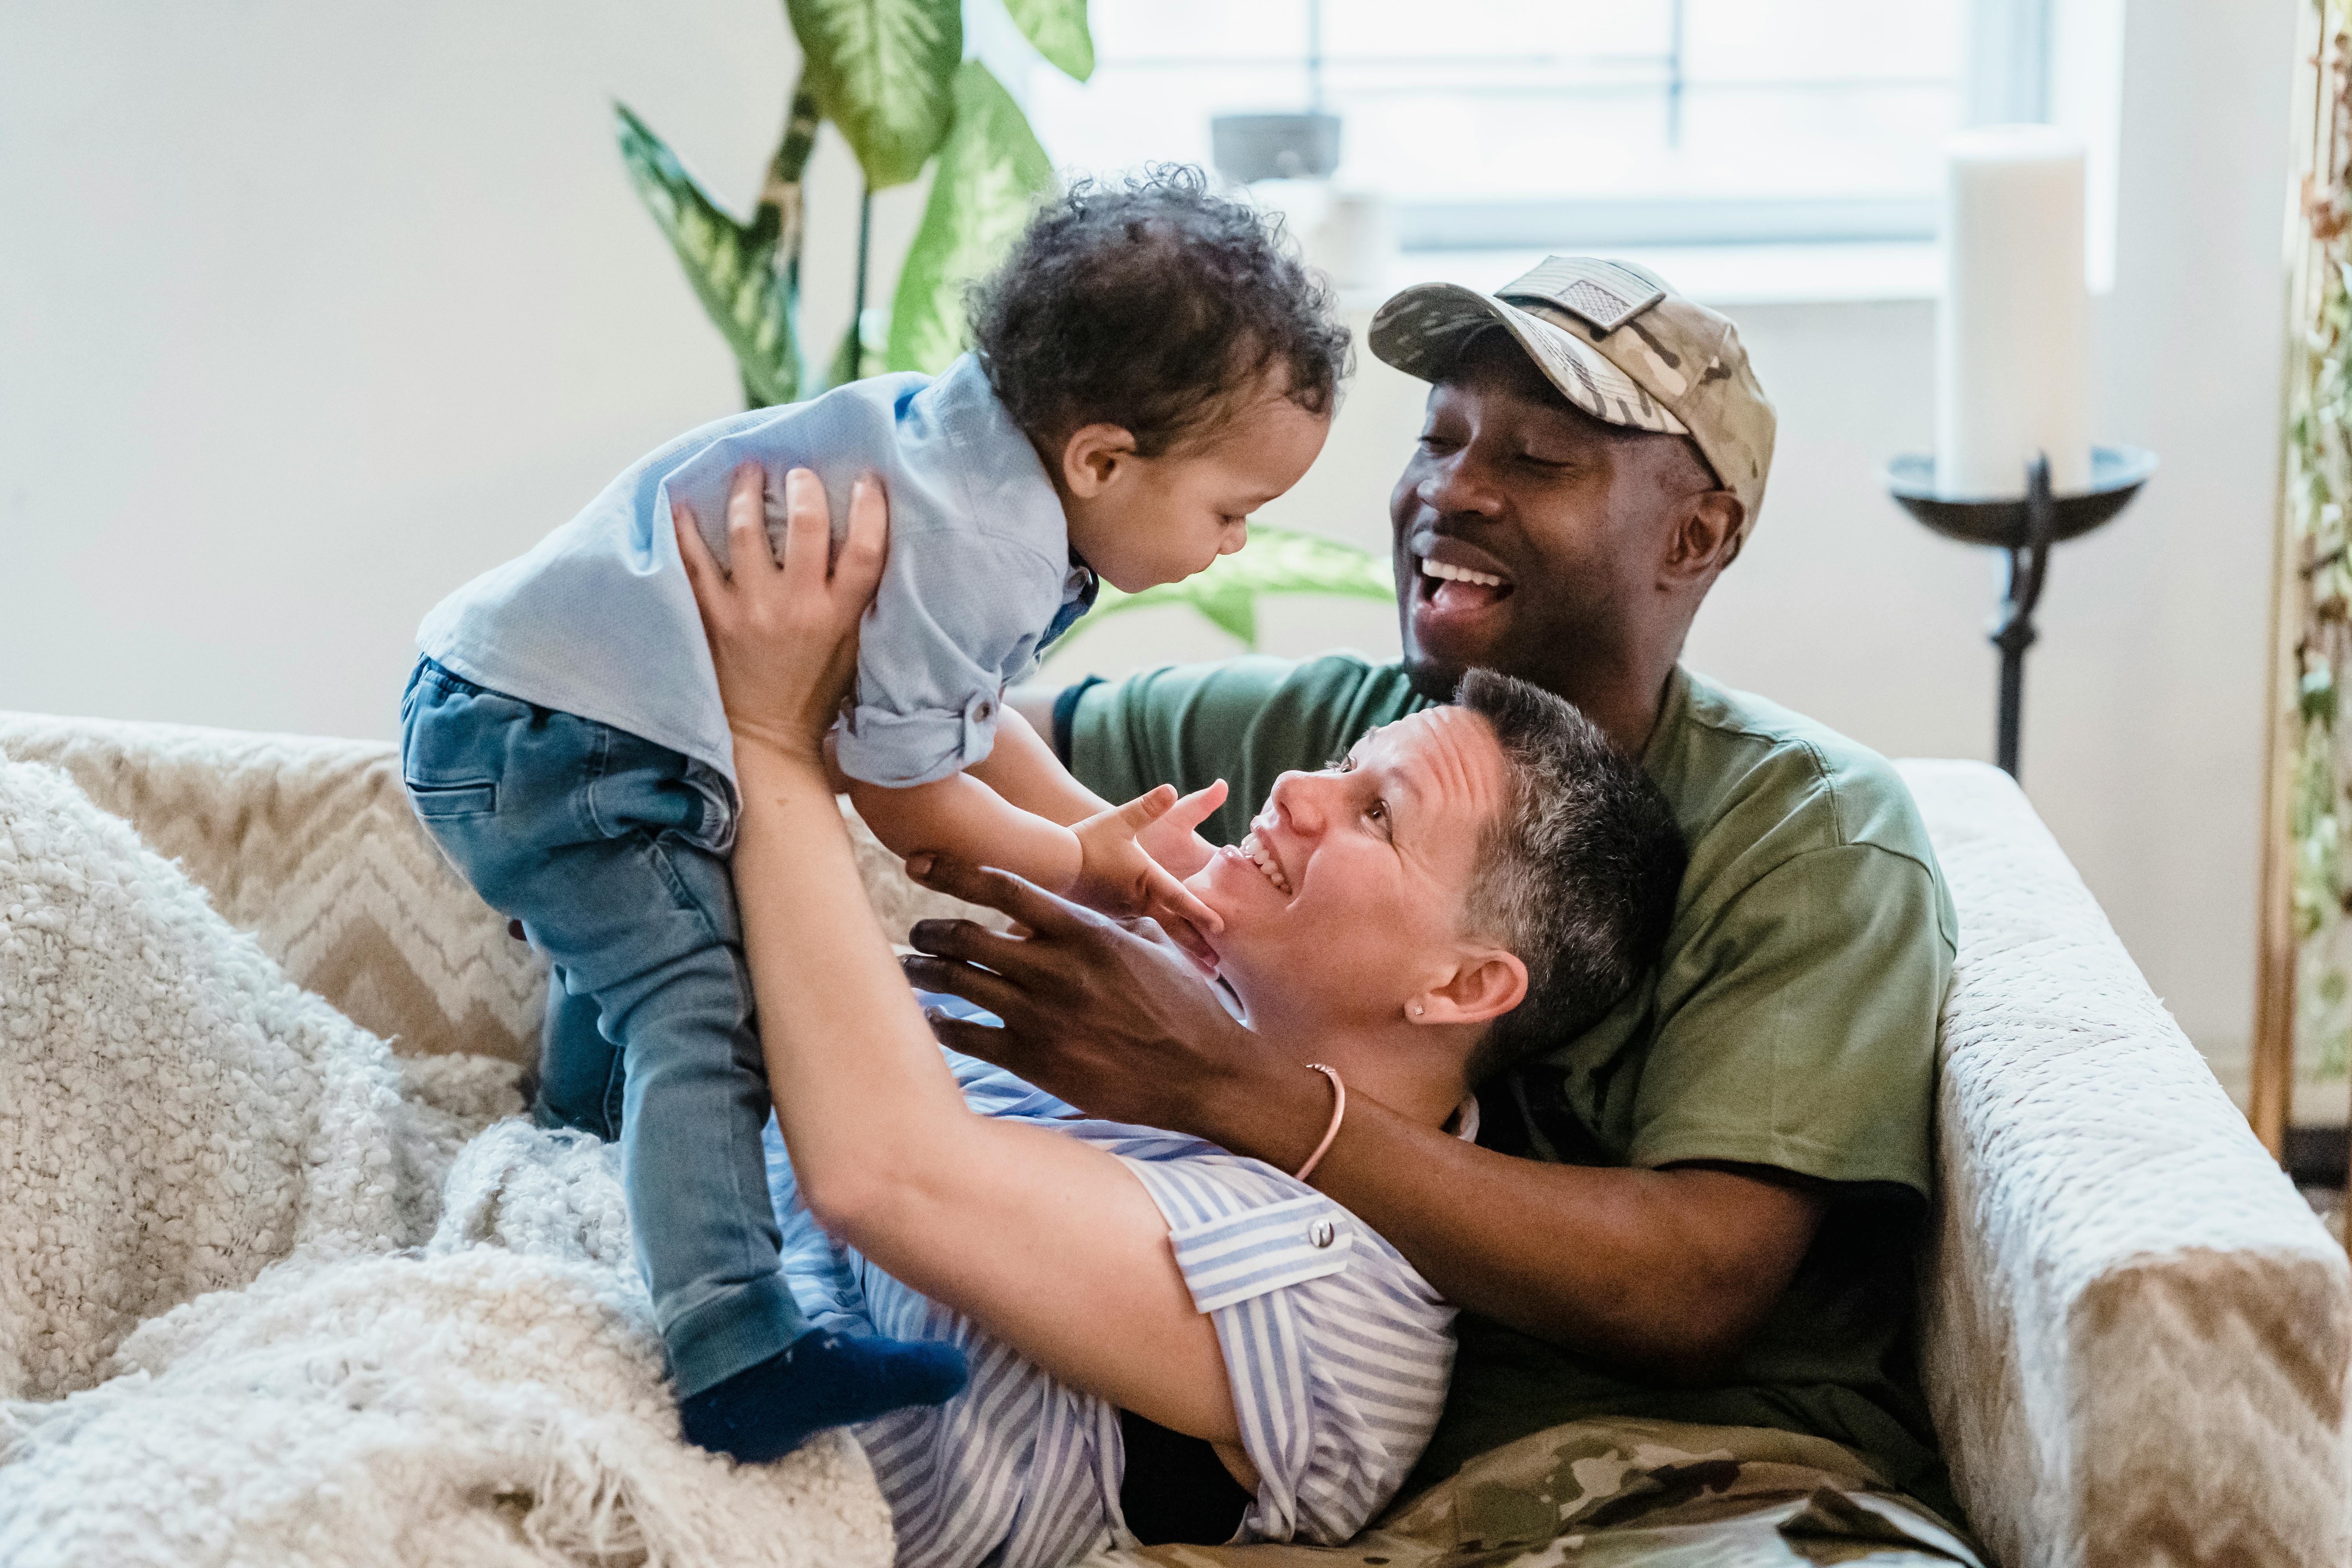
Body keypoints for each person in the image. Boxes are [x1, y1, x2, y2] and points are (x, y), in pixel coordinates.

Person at [911, 257, 1973, 1540]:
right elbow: (952, 720)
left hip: (1698, 1490)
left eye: (1537, 460)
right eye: (1440, 438)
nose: (1451, 491)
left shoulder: (1811, 834)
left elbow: (1687, 1286)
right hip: (1324, 1490)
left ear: (1696, 536)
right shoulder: (1343, 733)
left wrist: (1223, 1084)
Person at [397, 169, 1349, 1461]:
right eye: (1232, 510)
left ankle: (581, 1143)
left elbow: (963, 711)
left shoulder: (976, 462)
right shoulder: (992, 542)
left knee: (665, 944)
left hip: (510, 705)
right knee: (705, 1009)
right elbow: (904, 798)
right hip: (563, 739)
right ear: (1104, 459)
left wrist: (1095, 838)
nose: (1236, 544)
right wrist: (1070, 857)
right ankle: (736, 1345)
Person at [672, 461, 1686, 1566]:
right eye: (1346, 765)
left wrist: (767, 735)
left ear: (1461, 989)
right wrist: (889, 610)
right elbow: (986, 752)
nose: (1298, 789)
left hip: (755, 1470)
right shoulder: (1217, 984)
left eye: (1377, 815)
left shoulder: (1333, 1299)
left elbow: (885, 1179)